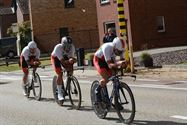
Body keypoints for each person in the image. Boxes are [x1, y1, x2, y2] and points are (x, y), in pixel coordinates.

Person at [93, 37, 128, 102]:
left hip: (109, 59)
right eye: (118, 51)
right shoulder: (107, 47)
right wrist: (118, 64)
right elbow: (109, 65)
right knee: (106, 78)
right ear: (114, 46)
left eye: (121, 52)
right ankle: (97, 90)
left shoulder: (121, 49)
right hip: (99, 59)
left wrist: (124, 64)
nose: (119, 53)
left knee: (115, 77)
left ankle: (116, 102)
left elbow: (121, 61)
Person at [51, 36, 76, 101]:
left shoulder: (72, 47)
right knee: (60, 73)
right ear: (63, 45)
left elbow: (71, 57)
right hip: (56, 58)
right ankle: (59, 93)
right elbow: (62, 61)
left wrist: (72, 60)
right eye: (66, 46)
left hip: (64, 57)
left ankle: (67, 80)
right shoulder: (58, 48)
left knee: (70, 68)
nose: (68, 48)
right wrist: (69, 61)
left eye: (69, 46)